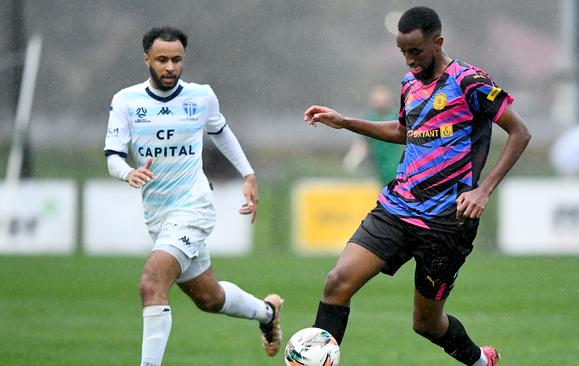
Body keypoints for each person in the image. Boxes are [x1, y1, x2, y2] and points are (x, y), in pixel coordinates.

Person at [303, 7, 530, 366]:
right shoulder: (409, 85)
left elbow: (520, 132)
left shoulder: (469, 82)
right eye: (403, 52)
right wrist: (345, 121)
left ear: (437, 43)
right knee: (337, 282)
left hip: (446, 222)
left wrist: (483, 190)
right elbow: (404, 131)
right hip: (398, 206)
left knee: (425, 323)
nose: (409, 60)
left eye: (416, 51)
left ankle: (480, 361)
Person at [103, 27, 283, 366]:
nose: (170, 67)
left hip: (194, 207)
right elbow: (113, 155)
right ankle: (267, 312)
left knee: (152, 282)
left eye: (176, 60)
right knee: (209, 298)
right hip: (158, 214)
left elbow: (221, 132)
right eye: (162, 60)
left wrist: (248, 174)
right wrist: (128, 171)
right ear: (147, 60)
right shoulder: (126, 101)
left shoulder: (200, 96)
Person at [342, 84, 403, 185]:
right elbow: (363, 143)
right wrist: (353, 157)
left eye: (383, 100)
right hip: (379, 167)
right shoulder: (370, 118)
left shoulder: (397, 116)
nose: (380, 103)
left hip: (397, 165)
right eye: (378, 101)